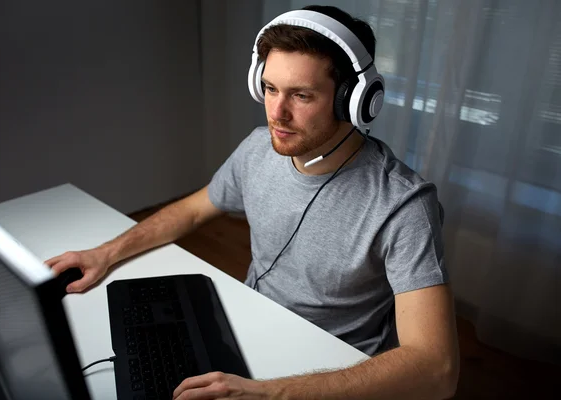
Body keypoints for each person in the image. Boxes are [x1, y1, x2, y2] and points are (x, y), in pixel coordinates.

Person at [46, 5, 459, 399]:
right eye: (270, 88)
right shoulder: (258, 148)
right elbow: (193, 209)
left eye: (301, 95)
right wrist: (104, 253)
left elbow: (436, 369)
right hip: (245, 329)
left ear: (353, 100)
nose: (276, 114)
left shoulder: (405, 205)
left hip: (331, 370)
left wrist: (270, 393)